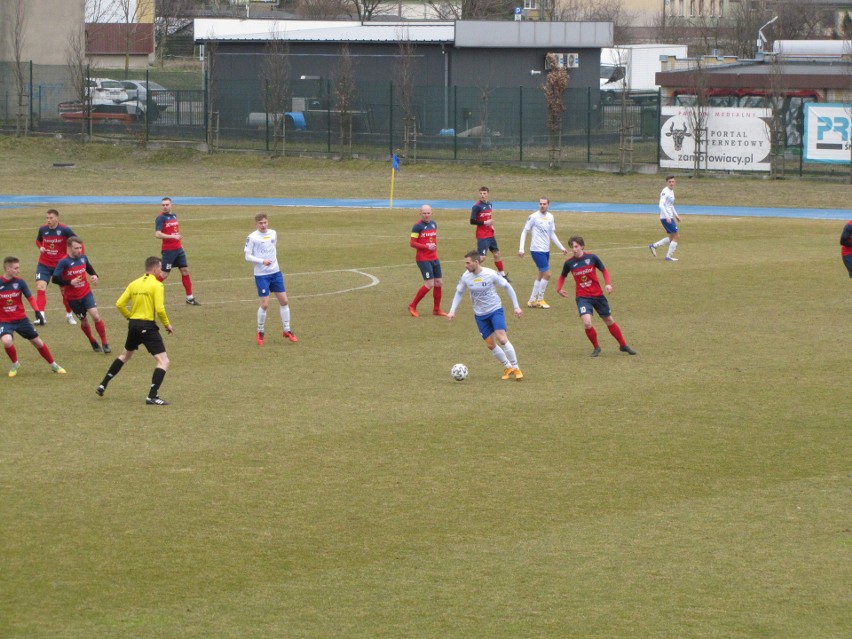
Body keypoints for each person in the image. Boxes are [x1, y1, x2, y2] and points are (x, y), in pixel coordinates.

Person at [96, 256, 174, 405]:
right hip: (147, 326)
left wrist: (130, 317)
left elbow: (119, 304)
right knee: (163, 361)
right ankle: (152, 396)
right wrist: (167, 324)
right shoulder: (157, 285)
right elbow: (160, 309)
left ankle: (103, 384)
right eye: (160, 268)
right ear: (155, 268)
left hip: (133, 325)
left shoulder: (134, 284)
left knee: (125, 355)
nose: (162, 270)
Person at [447, 251, 524, 381]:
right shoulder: (466, 277)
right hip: (480, 315)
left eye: (468, 263)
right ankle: (508, 366)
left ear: (476, 262)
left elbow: (507, 287)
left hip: (495, 310)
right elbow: (459, 292)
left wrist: (516, 306)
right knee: (490, 344)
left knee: (502, 339)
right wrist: (452, 310)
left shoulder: (490, 274)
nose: (465, 265)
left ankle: (516, 368)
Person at [557, 236, 637, 357]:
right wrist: (559, 288)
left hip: (598, 295)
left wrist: (608, 284)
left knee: (609, 320)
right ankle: (596, 347)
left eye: (576, 246)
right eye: (572, 247)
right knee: (587, 323)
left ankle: (623, 345)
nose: (573, 249)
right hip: (583, 297)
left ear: (582, 246)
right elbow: (562, 276)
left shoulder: (592, 257)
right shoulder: (569, 263)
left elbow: (604, 270)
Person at [1, 256, 66, 377]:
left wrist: (37, 311)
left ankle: (54, 365)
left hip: (21, 319)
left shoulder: (20, 282)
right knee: (7, 340)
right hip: (4, 321)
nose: (18, 270)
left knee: (37, 342)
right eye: (16, 268)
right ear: (8, 268)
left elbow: (30, 297)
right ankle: (15, 364)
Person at [244, 213, 298, 345]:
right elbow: (247, 256)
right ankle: (260, 331)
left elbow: (272, 249)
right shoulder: (252, 237)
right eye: (260, 223)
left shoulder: (273, 233)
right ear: (256, 224)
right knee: (265, 304)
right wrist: (262, 261)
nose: (263, 225)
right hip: (262, 275)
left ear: (268, 222)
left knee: (284, 301)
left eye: (265, 223)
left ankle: (287, 330)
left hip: (275, 273)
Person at [52, 237, 110, 353]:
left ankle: (105, 343)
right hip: (73, 298)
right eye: (76, 248)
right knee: (84, 321)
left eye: (80, 248)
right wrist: (69, 282)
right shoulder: (63, 262)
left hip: (86, 293)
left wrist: (94, 276)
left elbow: (89, 268)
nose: (79, 250)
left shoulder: (83, 258)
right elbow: (55, 279)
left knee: (96, 316)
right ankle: (92, 340)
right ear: (69, 248)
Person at [518, 197, 568, 309]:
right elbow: (524, 231)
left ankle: (531, 300)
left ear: (548, 205)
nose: (542, 205)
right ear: (538, 205)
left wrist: (561, 247)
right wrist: (521, 249)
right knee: (547, 274)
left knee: (541, 275)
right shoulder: (533, 217)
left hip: (546, 250)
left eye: (544, 204)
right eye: (540, 204)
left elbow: (552, 234)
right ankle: (540, 299)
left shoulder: (550, 217)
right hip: (536, 250)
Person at [34, 208, 78, 325]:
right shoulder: (43, 229)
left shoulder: (64, 229)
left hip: (60, 266)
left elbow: (76, 241)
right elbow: (38, 241)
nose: (48, 220)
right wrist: (41, 247)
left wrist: (74, 255)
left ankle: (69, 315)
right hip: (44, 264)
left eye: (51, 218)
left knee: (65, 292)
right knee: (40, 286)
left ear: (57, 218)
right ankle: (41, 316)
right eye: (47, 218)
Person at [155, 196, 200, 305]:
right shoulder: (160, 218)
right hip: (169, 251)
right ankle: (148, 291)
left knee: (185, 270)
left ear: (171, 205)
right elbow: (157, 234)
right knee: (164, 274)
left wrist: (180, 245)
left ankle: (189, 298)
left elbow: (176, 232)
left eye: (167, 204)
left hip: (178, 250)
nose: (165, 207)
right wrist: (172, 237)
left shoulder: (174, 216)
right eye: (163, 205)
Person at [408, 204, 447, 318]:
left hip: (434, 258)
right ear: (420, 213)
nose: (426, 215)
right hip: (423, 259)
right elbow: (412, 243)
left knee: (439, 282)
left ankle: (436, 309)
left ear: (431, 213)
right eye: (424, 213)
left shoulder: (434, 224)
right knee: (429, 284)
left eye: (428, 213)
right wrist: (426, 247)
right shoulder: (417, 226)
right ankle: (412, 305)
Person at [470, 186, 509, 280]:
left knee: (496, 254)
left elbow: (488, 218)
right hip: (482, 235)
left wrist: (491, 225)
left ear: (488, 194)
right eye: (481, 193)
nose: (482, 195)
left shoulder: (490, 205)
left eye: (484, 193)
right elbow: (472, 221)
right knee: (482, 257)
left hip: (490, 234)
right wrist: (484, 223)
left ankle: (502, 275)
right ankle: (468, 273)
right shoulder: (476, 206)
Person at [649, 175, 682, 261]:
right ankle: (668, 257)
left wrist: (676, 215)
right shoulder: (665, 192)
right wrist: (667, 216)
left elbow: (670, 205)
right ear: (667, 183)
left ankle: (654, 246)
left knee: (672, 237)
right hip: (666, 217)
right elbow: (661, 205)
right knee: (677, 236)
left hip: (669, 217)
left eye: (673, 182)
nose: (671, 183)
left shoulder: (671, 192)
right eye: (669, 182)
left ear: (675, 182)